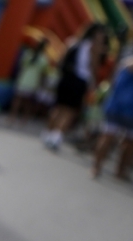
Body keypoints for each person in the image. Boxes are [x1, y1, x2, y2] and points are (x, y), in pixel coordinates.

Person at [92, 41, 133, 180]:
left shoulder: (125, 62)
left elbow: (113, 82)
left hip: (115, 103)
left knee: (107, 136)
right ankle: (120, 171)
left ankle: (96, 167)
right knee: (130, 142)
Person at [43, 23, 106, 151]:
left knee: (58, 108)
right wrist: (94, 84)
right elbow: (93, 67)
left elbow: (60, 60)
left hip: (66, 78)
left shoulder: (72, 41)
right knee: (69, 111)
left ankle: (48, 134)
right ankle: (56, 137)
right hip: (79, 81)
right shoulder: (94, 47)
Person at [12, 39, 50, 123]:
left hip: (23, 79)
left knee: (17, 100)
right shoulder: (44, 59)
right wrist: (42, 85)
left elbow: (21, 66)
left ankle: (12, 117)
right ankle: (24, 119)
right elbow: (43, 74)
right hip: (33, 83)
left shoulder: (28, 54)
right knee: (28, 103)